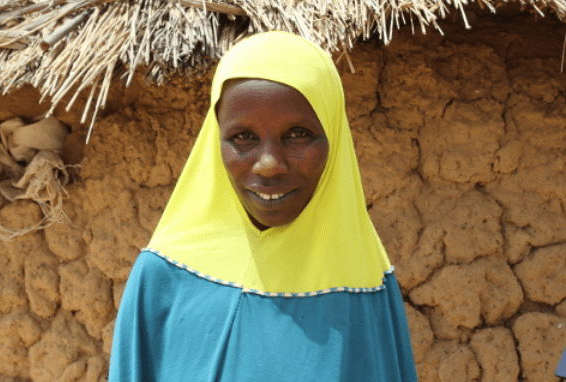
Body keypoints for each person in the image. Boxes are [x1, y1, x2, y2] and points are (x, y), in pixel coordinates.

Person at [109, 31, 417, 381]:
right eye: (243, 137)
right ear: (215, 143)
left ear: (334, 138)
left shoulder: (364, 286)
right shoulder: (163, 279)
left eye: (298, 134)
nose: (269, 164)